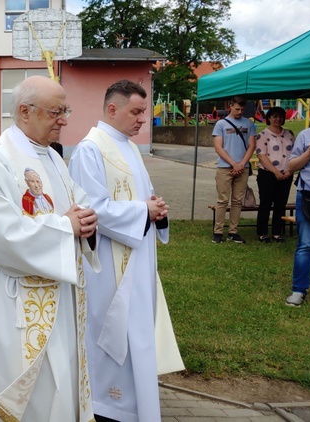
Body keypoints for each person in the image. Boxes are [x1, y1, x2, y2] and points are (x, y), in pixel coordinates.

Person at [0, 75, 99, 422]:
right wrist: (66, 227)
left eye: (66, 111)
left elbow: (77, 202)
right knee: (17, 383)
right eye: (56, 112)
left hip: (59, 293)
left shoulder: (53, 158)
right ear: (25, 111)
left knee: (60, 380)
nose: (64, 120)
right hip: (14, 294)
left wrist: (87, 219)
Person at [68, 79, 183, 422]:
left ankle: (136, 404)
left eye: (143, 113)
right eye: (135, 111)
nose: (141, 119)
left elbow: (141, 197)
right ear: (112, 109)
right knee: (113, 333)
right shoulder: (91, 149)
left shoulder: (130, 148)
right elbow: (92, 210)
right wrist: (142, 211)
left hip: (138, 261)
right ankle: (107, 405)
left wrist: (156, 210)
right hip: (109, 265)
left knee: (138, 336)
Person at [285, 120, 310, 307]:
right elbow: (291, 166)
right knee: (306, 245)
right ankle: (298, 290)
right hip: (309, 196)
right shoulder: (307, 135)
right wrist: (309, 153)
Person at [212, 96, 256, 243]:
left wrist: (242, 164)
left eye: (242, 110)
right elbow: (218, 147)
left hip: (242, 167)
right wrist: (233, 163)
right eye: (237, 109)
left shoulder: (249, 123)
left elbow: (252, 145)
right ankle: (218, 232)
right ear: (230, 106)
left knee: (237, 201)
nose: (239, 112)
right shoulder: (221, 124)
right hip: (225, 167)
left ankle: (233, 231)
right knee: (222, 200)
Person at [255, 107, 294, 243]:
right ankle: (262, 232)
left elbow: (295, 154)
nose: (278, 119)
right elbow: (261, 155)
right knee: (266, 203)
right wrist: (275, 172)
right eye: (275, 116)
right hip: (268, 174)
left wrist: (290, 170)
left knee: (280, 204)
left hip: (287, 174)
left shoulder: (289, 134)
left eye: (281, 116)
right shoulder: (263, 134)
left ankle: (277, 232)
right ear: (269, 118)